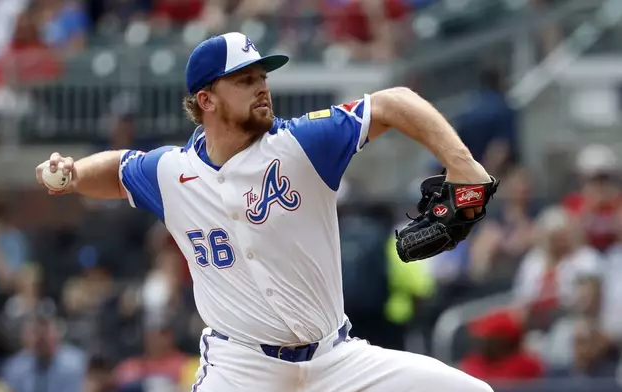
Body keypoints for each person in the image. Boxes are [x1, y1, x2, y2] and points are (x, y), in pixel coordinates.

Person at [35, 32, 494, 392]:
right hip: (240, 369)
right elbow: (116, 169)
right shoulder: (171, 172)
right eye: (245, 80)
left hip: (338, 361)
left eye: (262, 78)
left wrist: (462, 164)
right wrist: (73, 172)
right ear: (206, 100)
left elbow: (394, 103)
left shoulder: (301, 144)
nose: (262, 89)